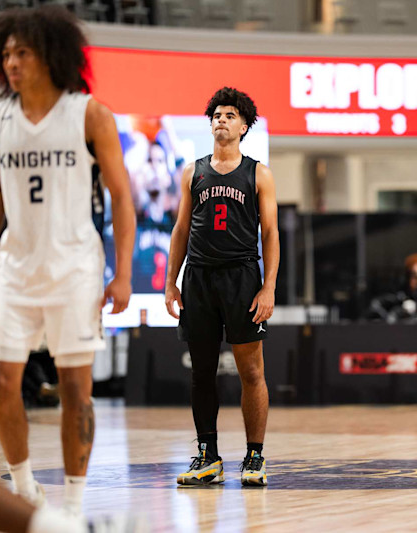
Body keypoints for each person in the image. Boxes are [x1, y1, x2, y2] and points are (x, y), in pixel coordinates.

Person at [0, 6, 135, 514]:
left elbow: (122, 199)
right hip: (15, 273)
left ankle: (75, 502)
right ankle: (24, 487)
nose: (12, 62)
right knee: (1, 381)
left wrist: (123, 273)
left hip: (75, 271)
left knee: (74, 390)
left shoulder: (90, 115)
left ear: (50, 55)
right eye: (6, 54)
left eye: (22, 52)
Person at [165, 87, 279, 487]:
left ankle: (254, 456)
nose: (221, 120)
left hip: (242, 277)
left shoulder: (258, 172)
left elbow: (270, 233)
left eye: (230, 115)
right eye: (216, 114)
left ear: (244, 125)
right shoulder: (192, 171)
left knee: (251, 369)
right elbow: (181, 229)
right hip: (198, 278)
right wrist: (170, 284)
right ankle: (208, 457)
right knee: (202, 372)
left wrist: (268, 288)